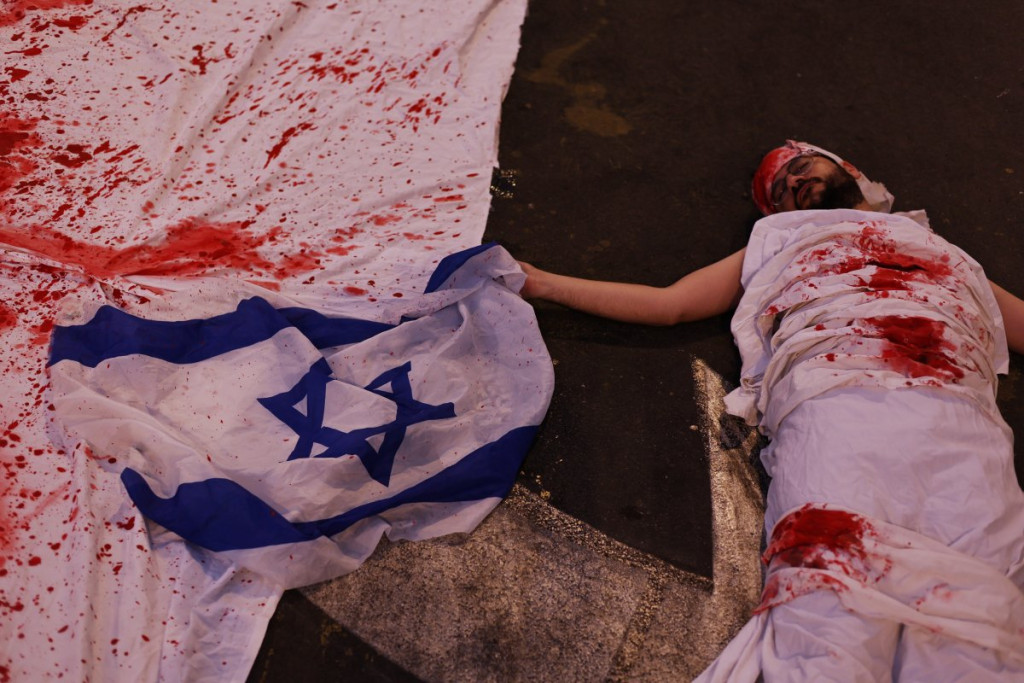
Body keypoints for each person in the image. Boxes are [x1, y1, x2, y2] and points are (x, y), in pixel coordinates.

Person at [518, 140, 1024, 681]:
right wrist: (543, 283)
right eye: (781, 191)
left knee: (982, 616)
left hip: (959, 419)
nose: (794, 183)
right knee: (829, 602)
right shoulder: (781, 238)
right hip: (835, 408)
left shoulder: (935, 245)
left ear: (850, 170)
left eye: (801, 167)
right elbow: (671, 304)